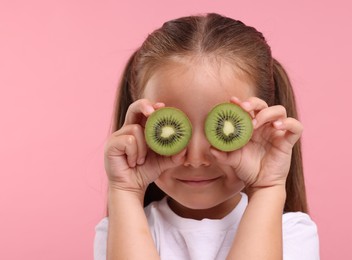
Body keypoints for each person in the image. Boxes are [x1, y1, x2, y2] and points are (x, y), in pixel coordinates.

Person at [94, 13, 319, 259]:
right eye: (173, 130)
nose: (196, 159)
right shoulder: (119, 232)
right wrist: (124, 190)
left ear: (262, 126)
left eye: (219, 133)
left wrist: (267, 187)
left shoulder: (291, 234)